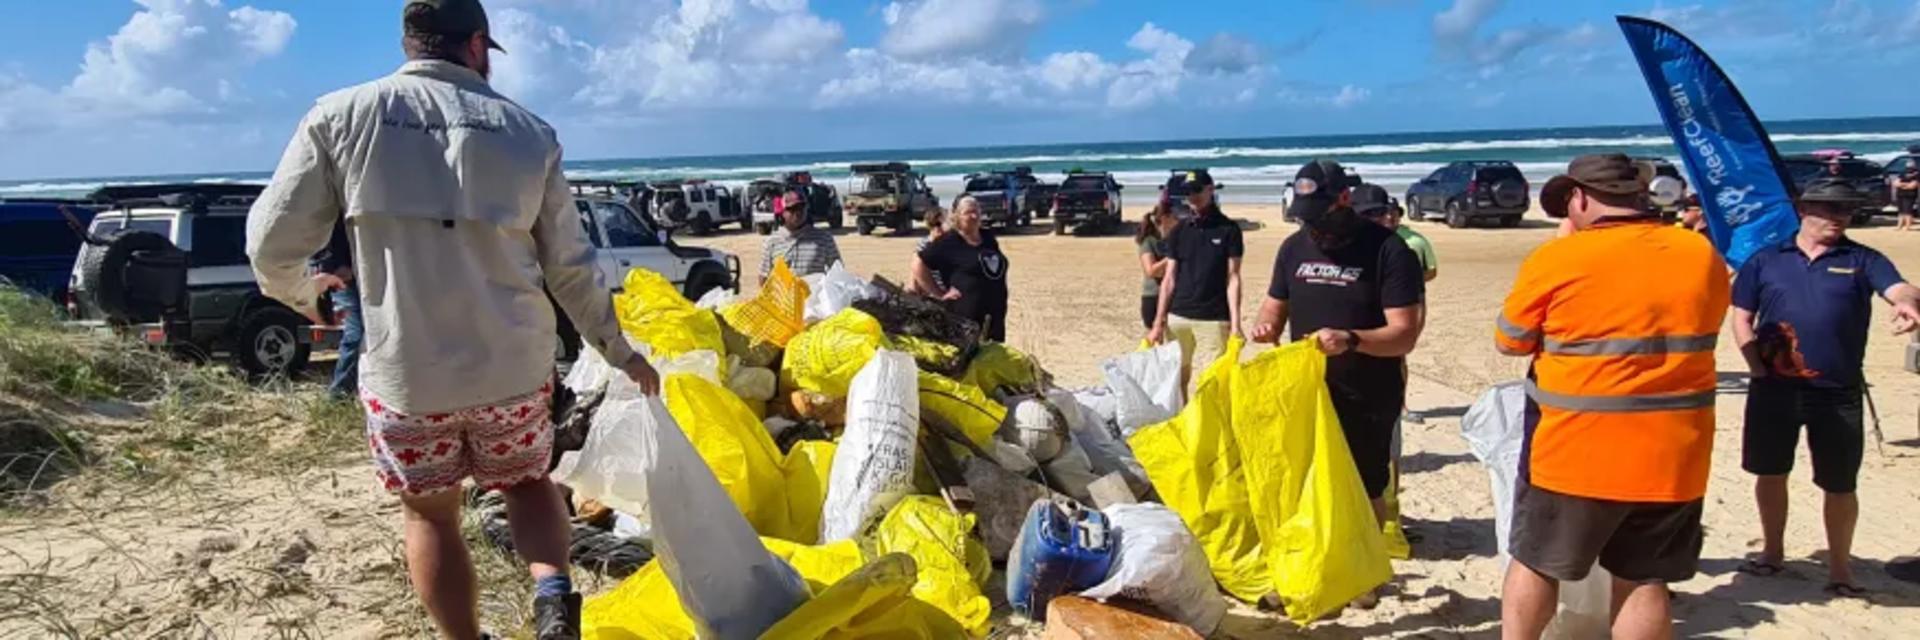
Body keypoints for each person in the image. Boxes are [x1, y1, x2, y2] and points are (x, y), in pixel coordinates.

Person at [245, 2, 661, 638]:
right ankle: (552, 597)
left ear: (411, 42)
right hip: (513, 366)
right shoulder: (529, 133)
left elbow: (270, 244)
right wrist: (617, 349)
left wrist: (305, 293)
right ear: (475, 45)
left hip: (409, 374)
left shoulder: (340, 117)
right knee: (527, 484)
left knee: (432, 516)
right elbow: (570, 267)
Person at [1495, 154, 1729, 640]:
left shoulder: (1559, 258)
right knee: (1643, 578)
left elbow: (1510, 340)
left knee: (1537, 562)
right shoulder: (1699, 252)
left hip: (1575, 448)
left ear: (1579, 198)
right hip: (1673, 450)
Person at [1731, 177, 1920, 597]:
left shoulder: (1862, 258)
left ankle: (1840, 569)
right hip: (1774, 390)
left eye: (1846, 210)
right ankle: (1773, 553)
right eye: (1829, 210)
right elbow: (1741, 315)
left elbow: (1899, 287)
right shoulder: (1766, 260)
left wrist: (1908, 302)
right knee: (1770, 472)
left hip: (1837, 391)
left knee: (1839, 483)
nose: (1839, 218)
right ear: (1803, 210)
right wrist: (1755, 367)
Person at [1251, 174, 1425, 530]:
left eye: (1319, 215)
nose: (1313, 227)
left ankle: (1368, 574)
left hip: (1367, 391)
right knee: (1305, 477)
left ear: (1344, 199)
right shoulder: (1293, 248)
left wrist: (1350, 339)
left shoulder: (1388, 250)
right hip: (1307, 389)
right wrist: (1265, 325)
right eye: (1305, 218)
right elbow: (1273, 305)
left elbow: (1404, 334)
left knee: (1364, 485)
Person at [1146, 170, 1244, 390]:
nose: (1192, 197)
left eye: (1197, 190)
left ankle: (1209, 423)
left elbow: (1234, 278)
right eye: (1188, 192)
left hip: (1214, 317)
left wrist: (1236, 324)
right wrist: (1158, 321)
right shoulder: (1179, 231)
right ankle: (1183, 421)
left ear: (1210, 190)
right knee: (1176, 381)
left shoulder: (1229, 229)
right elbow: (1169, 278)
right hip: (1178, 316)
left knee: (1214, 382)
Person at [913, 195, 1011, 341]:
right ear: (957, 216)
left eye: (977, 210)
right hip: (966, 320)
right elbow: (918, 263)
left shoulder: (988, 237)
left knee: (993, 359)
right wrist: (939, 293)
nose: (974, 215)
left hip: (995, 317)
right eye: (968, 212)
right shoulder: (949, 241)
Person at [315, 219, 361, 399]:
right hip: (344, 278)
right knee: (356, 334)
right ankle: (339, 394)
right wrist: (339, 264)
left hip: (361, 275)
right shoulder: (334, 207)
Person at [759, 188, 842, 283]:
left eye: (801, 207)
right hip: (784, 297)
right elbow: (764, 277)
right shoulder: (772, 242)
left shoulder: (824, 239)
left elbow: (838, 272)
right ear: (782, 213)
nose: (798, 212)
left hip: (814, 296)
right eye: (792, 209)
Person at [1367, 197, 1437, 282]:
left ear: (1399, 216)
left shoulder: (1417, 240)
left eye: (1393, 213)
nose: (1389, 217)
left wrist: (1409, 281)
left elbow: (1431, 271)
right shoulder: (1370, 239)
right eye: (1385, 213)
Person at [1135, 203, 1178, 329]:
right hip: (1154, 295)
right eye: (1176, 218)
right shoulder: (1149, 241)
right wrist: (1172, 256)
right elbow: (1151, 271)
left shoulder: (1176, 239)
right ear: (1166, 218)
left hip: (1176, 295)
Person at [909, 207, 948, 295]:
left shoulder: (949, 241)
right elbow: (915, 270)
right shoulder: (925, 245)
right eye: (938, 224)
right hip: (934, 292)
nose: (943, 228)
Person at [1894, 166, 1917, 232]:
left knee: (1908, 210)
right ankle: (1899, 226)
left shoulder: (1916, 175)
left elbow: (1913, 186)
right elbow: (1895, 183)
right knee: (1901, 211)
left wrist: (1901, 185)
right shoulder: (1902, 174)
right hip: (1900, 194)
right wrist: (1905, 184)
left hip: (1910, 195)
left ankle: (1907, 227)